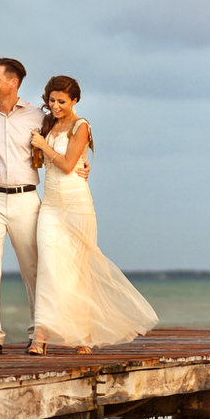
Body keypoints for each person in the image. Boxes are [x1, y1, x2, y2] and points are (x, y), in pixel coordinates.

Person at [0, 57, 89, 356]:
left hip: (26, 199)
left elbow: (64, 144)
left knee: (34, 270)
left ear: (13, 82)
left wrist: (83, 165)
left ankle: (38, 332)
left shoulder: (38, 117)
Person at [27, 75, 158, 355]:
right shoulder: (48, 123)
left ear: (74, 101)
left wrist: (43, 146)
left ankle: (84, 336)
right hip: (50, 205)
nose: (55, 105)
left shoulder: (81, 126)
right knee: (49, 268)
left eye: (62, 101)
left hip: (76, 203)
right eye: (52, 100)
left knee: (79, 270)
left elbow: (66, 164)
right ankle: (40, 336)